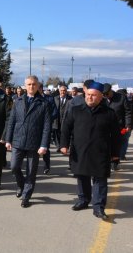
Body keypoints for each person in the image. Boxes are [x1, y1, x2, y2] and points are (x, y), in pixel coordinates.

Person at [60, 81, 120, 220]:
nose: (89, 97)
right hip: (80, 151)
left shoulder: (109, 113)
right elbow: (66, 129)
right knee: (82, 177)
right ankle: (83, 200)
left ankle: (98, 207)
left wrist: (116, 154)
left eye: (93, 95)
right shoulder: (76, 110)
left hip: (101, 152)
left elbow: (116, 136)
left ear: (100, 97)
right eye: (88, 95)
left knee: (100, 180)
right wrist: (64, 145)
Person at [5, 75, 51, 208]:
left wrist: (43, 145)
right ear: (25, 86)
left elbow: (47, 126)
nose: (31, 86)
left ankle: (26, 196)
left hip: (34, 142)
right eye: (29, 84)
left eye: (34, 84)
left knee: (31, 171)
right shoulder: (17, 101)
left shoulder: (44, 103)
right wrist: (8, 139)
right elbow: (11, 122)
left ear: (38, 86)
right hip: (18, 140)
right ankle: (21, 185)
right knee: (14, 167)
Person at [103, 83, 131, 170]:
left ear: (111, 91)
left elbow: (128, 112)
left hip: (119, 126)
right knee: (106, 144)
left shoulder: (121, 98)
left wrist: (128, 124)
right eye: (104, 95)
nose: (106, 96)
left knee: (116, 145)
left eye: (107, 94)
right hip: (105, 126)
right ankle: (107, 161)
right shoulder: (102, 99)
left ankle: (115, 163)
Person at [52, 85, 72, 151]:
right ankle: (59, 146)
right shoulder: (55, 98)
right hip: (56, 119)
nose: (63, 92)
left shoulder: (70, 99)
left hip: (66, 119)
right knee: (57, 133)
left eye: (64, 91)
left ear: (66, 91)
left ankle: (63, 146)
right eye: (61, 90)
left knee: (64, 133)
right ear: (59, 91)